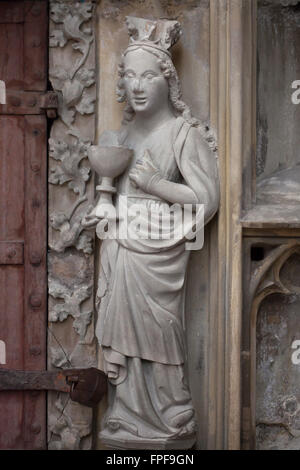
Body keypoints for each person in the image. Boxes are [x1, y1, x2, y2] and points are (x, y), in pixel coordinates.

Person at [87, 17, 219, 449]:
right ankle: (126, 413)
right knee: (125, 337)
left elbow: (205, 198)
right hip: (122, 248)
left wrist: (154, 185)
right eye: (129, 76)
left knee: (160, 331)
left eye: (148, 76)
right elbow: (113, 191)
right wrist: (104, 211)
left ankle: (171, 413)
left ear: (168, 81)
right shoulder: (121, 136)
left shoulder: (182, 134)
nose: (137, 85)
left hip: (159, 255)